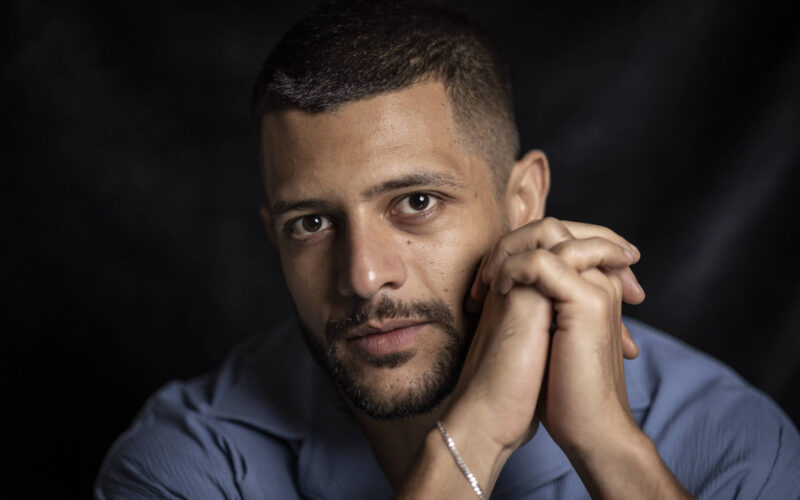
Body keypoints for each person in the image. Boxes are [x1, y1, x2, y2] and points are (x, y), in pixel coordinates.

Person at [95, 1, 800, 498]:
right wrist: (474, 440)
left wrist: (610, 450)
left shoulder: (727, 438)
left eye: (417, 203)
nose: (366, 276)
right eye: (311, 224)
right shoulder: (186, 466)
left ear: (523, 200)